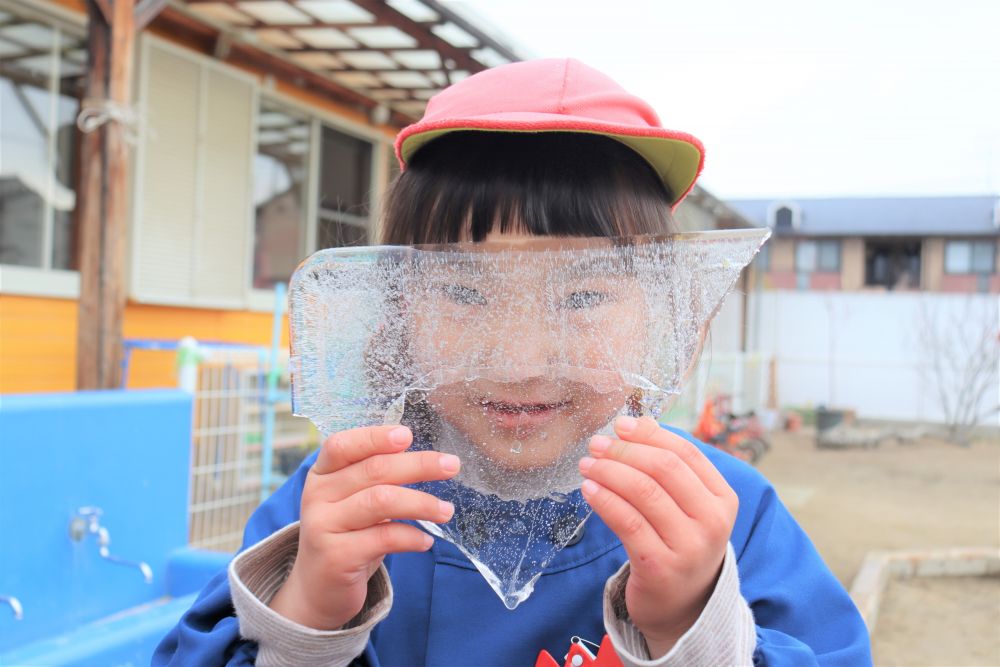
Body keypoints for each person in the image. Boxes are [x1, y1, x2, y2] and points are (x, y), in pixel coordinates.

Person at [154, 59, 871, 666]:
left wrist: (693, 621)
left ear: (661, 311)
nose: (521, 360)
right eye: (465, 291)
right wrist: (306, 613)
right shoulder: (344, 500)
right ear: (399, 303)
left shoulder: (726, 514)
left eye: (584, 295)